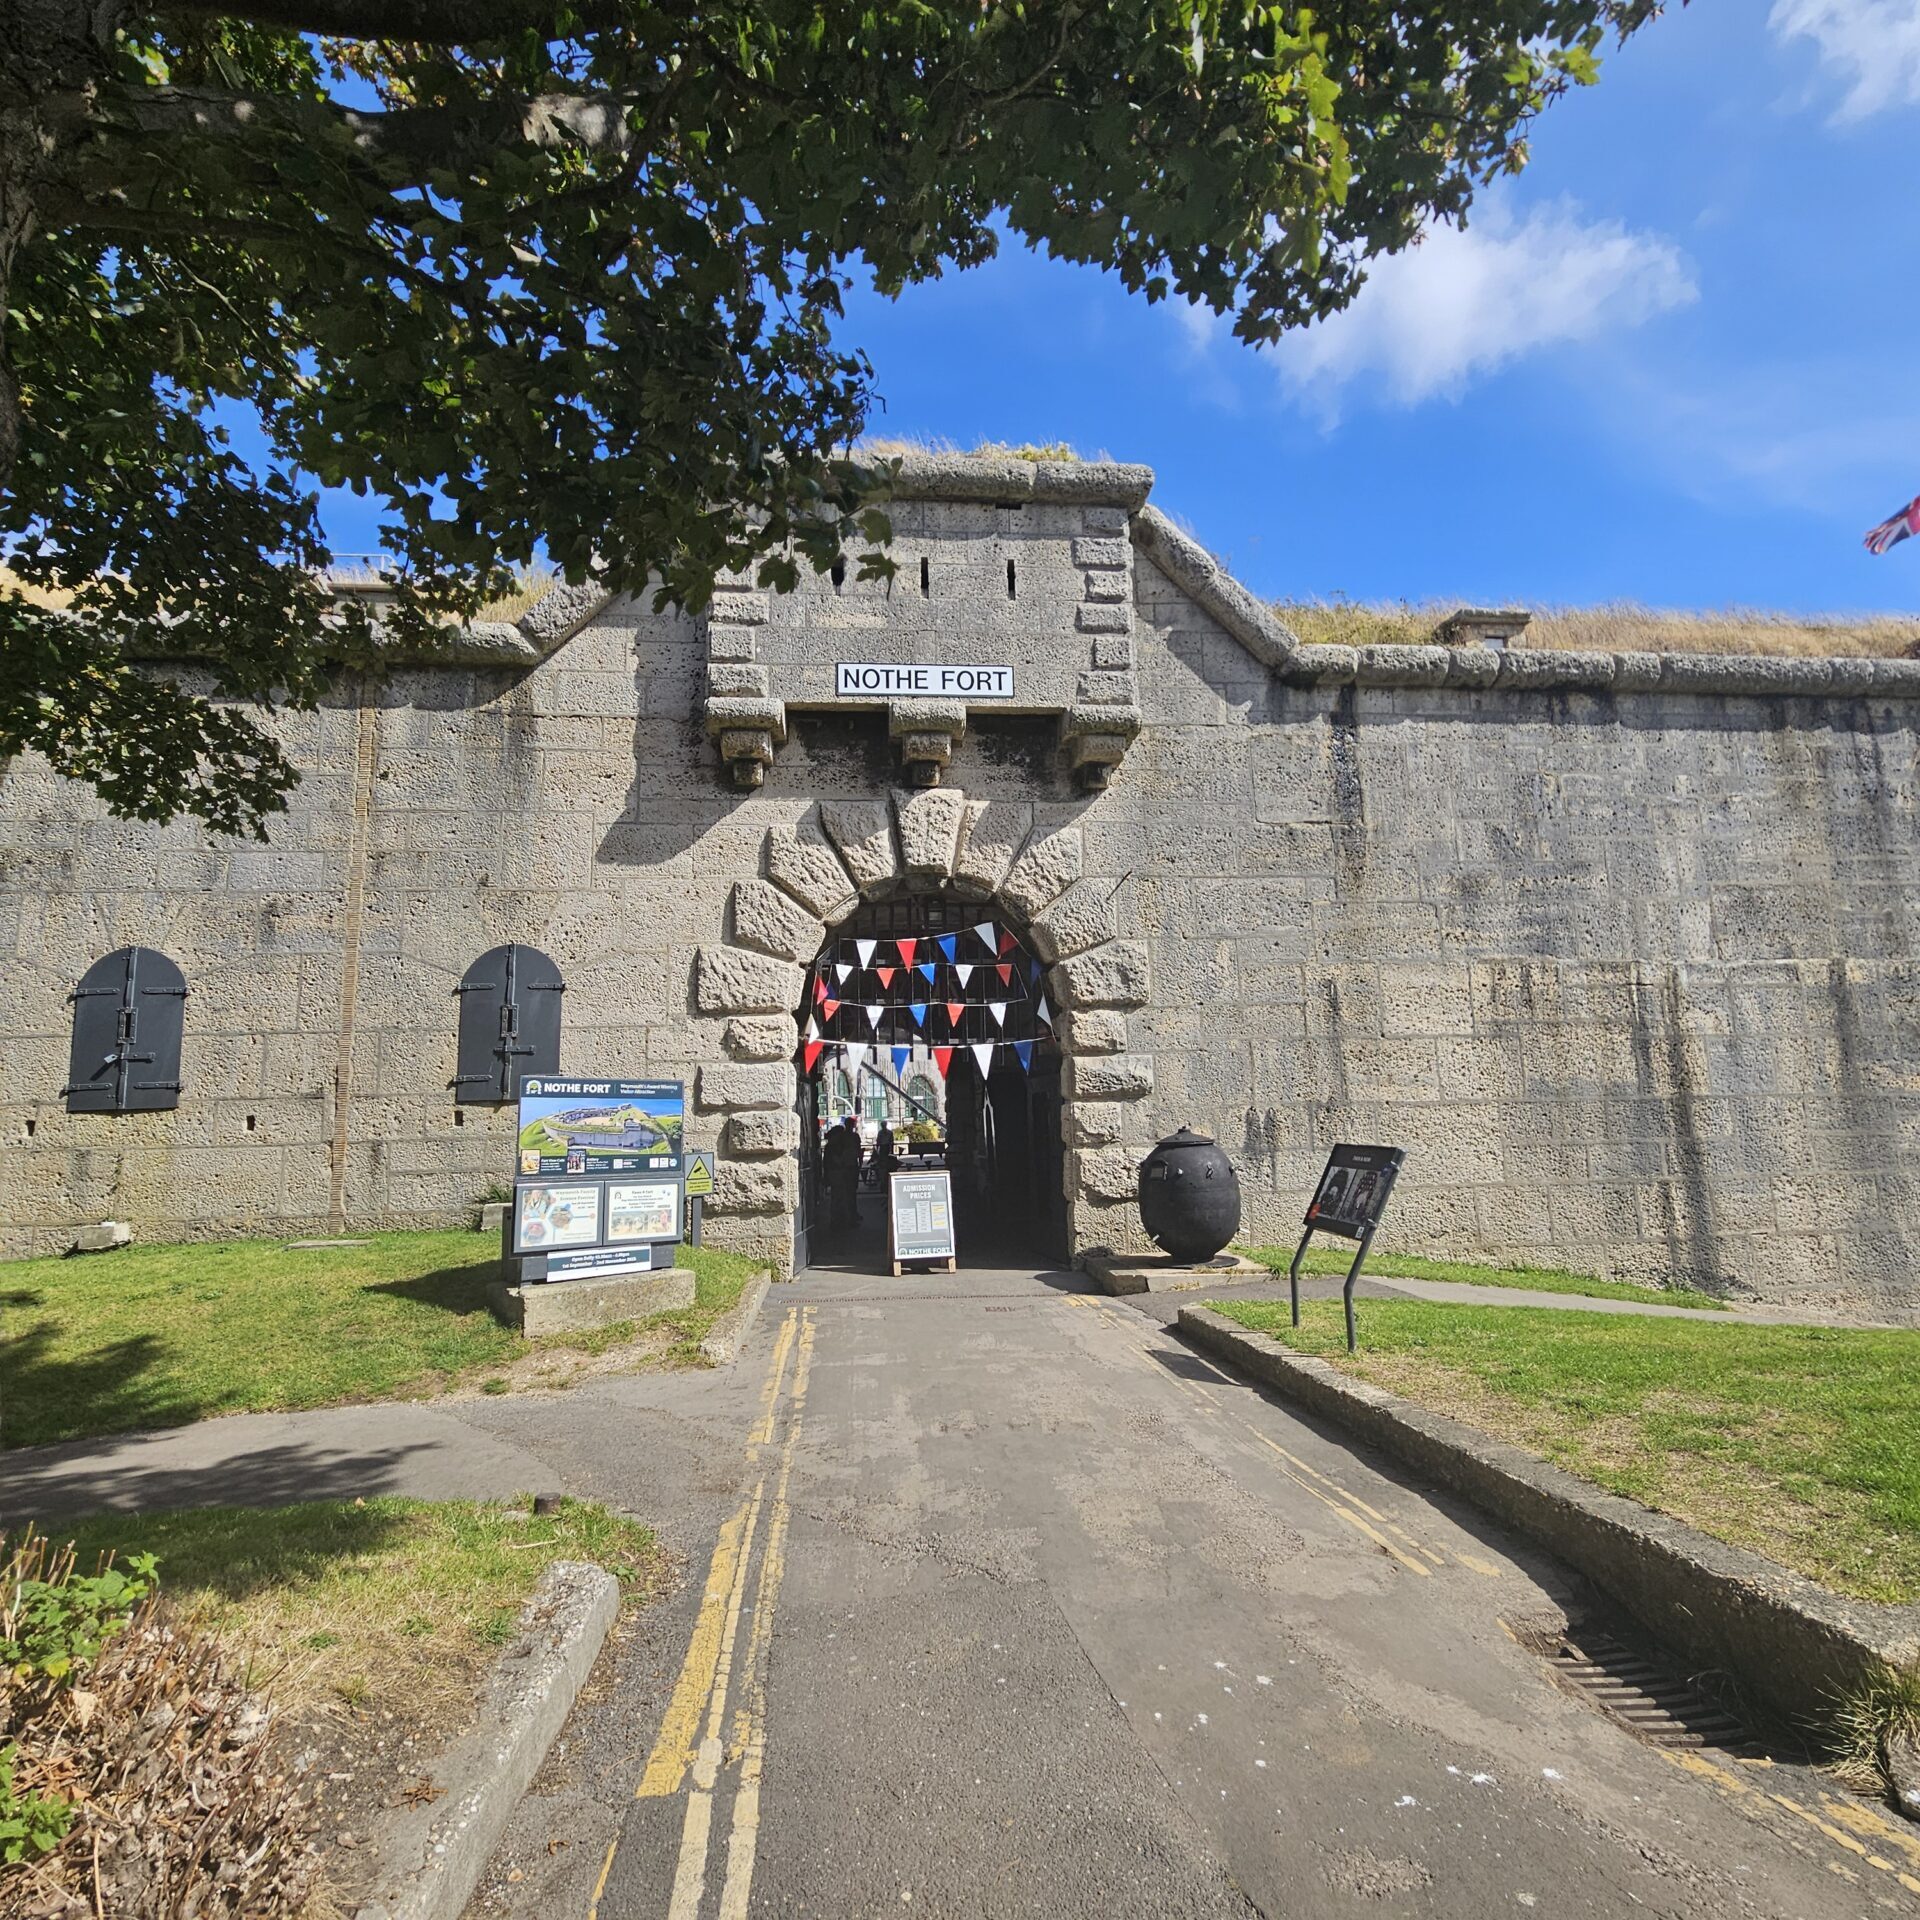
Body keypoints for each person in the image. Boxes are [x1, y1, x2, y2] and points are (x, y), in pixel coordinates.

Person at [822, 1116, 862, 1229]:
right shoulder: (834, 1147)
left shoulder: (832, 1146)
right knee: (842, 1197)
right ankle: (841, 1221)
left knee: (840, 1197)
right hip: (840, 1174)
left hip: (839, 1173)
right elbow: (837, 1160)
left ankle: (840, 1220)